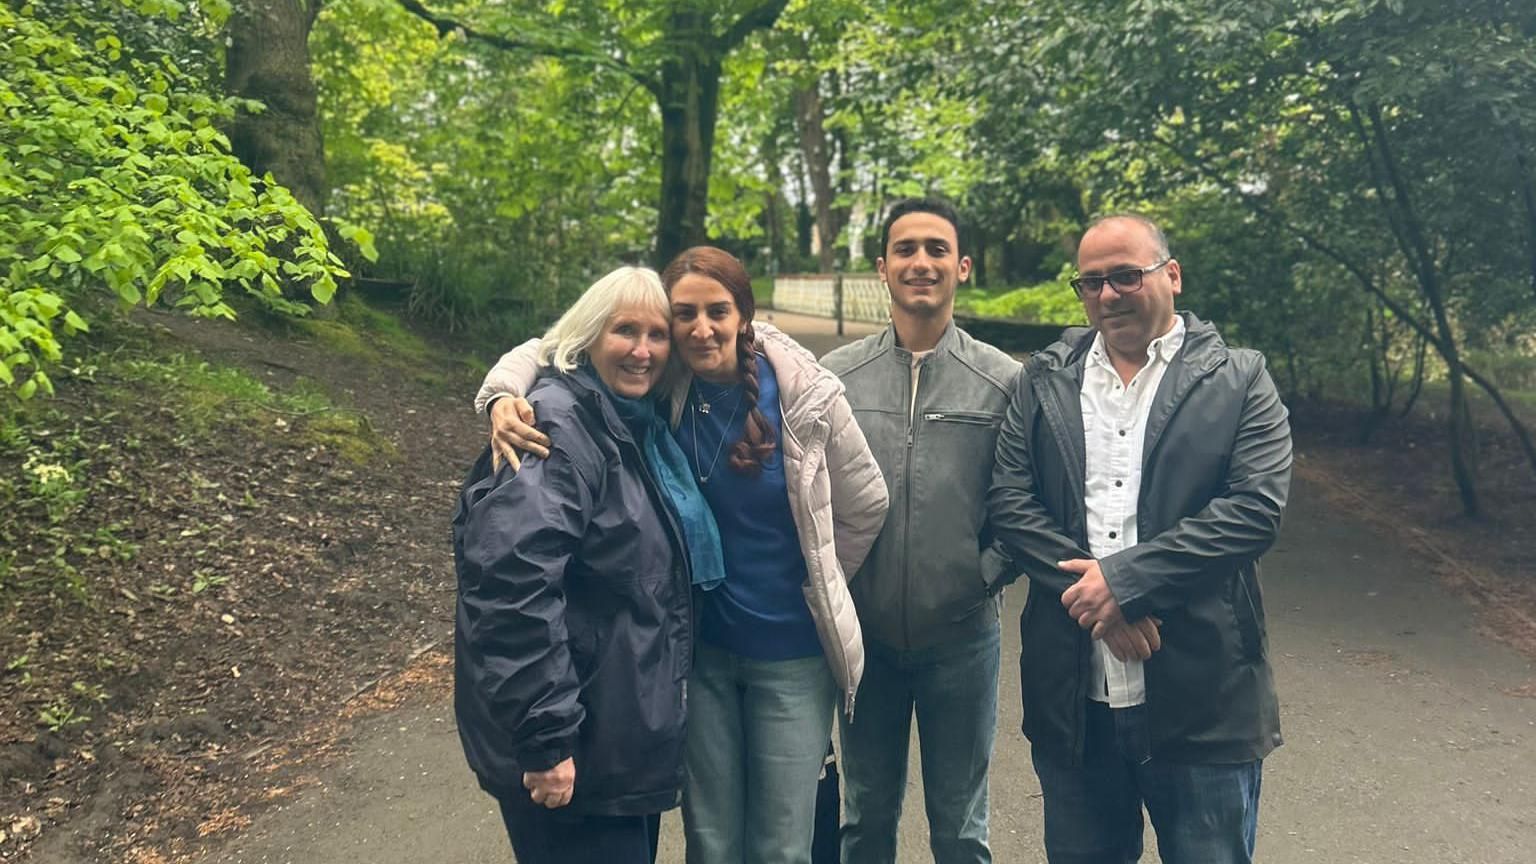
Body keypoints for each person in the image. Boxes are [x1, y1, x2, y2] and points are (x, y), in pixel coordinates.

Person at [475, 246, 889, 864]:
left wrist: (816, 577)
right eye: (684, 314)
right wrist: (502, 393)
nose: (701, 329)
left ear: (744, 315)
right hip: (701, 656)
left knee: (781, 845)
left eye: (717, 311)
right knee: (712, 841)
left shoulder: (804, 395)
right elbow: (555, 347)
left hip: (792, 657)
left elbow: (867, 504)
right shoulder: (664, 383)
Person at [986, 214, 1292, 863]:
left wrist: (1125, 583)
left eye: (1126, 275)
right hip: (1073, 707)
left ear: (1171, 275)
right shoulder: (1042, 380)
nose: (1107, 295)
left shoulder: (1240, 380)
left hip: (1204, 702)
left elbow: (1254, 510)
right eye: (1090, 282)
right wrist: (1103, 604)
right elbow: (1011, 506)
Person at [451, 266, 718, 864]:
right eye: (625, 330)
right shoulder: (557, 427)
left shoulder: (631, 426)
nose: (643, 351)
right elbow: (511, 585)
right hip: (576, 742)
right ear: (588, 336)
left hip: (614, 739)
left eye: (657, 335)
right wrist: (546, 740)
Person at [818, 198, 1041, 864]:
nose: (922, 262)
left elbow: (1026, 503)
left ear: (962, 267)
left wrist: (981, 574)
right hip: (865, 642)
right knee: (864, 818)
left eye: (937, 249)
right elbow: (810, 497)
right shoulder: (835, 378)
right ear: (882, 268)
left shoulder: (1003, 381)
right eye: (906, 249)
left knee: (960, 826)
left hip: (963, 641)